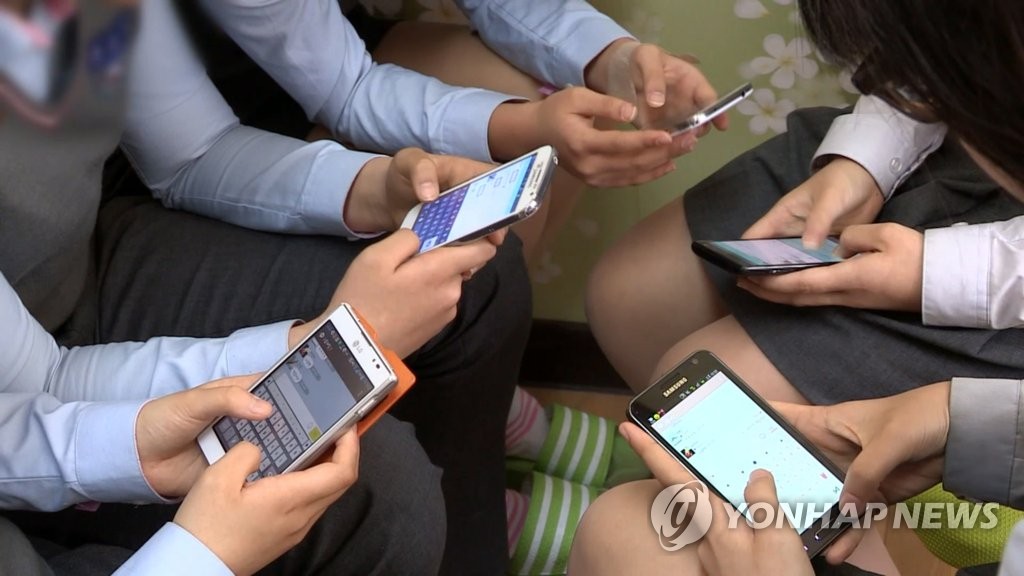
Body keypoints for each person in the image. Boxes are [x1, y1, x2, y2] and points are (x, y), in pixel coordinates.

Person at [0, 0, 530, 572]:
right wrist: (336, 342)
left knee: (477, 277)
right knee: (383, 492)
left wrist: (374, 190)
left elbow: (197, 150)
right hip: (42, 374)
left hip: (65, 307)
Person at [571, 0, 1024, 573]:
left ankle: (830, 550)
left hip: (995, 281)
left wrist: (934, 274)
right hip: (944, 160)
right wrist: (862, 161)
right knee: (630, 295)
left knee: (696, 404)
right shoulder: (961, 70)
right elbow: (927, 58)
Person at [175, 0, 725, 267]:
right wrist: (520, 127)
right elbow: (345, 90)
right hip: (229, 102)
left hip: (327, 43)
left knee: (555, 122)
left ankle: (501, 366)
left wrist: (613, 60)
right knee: (498, 194)